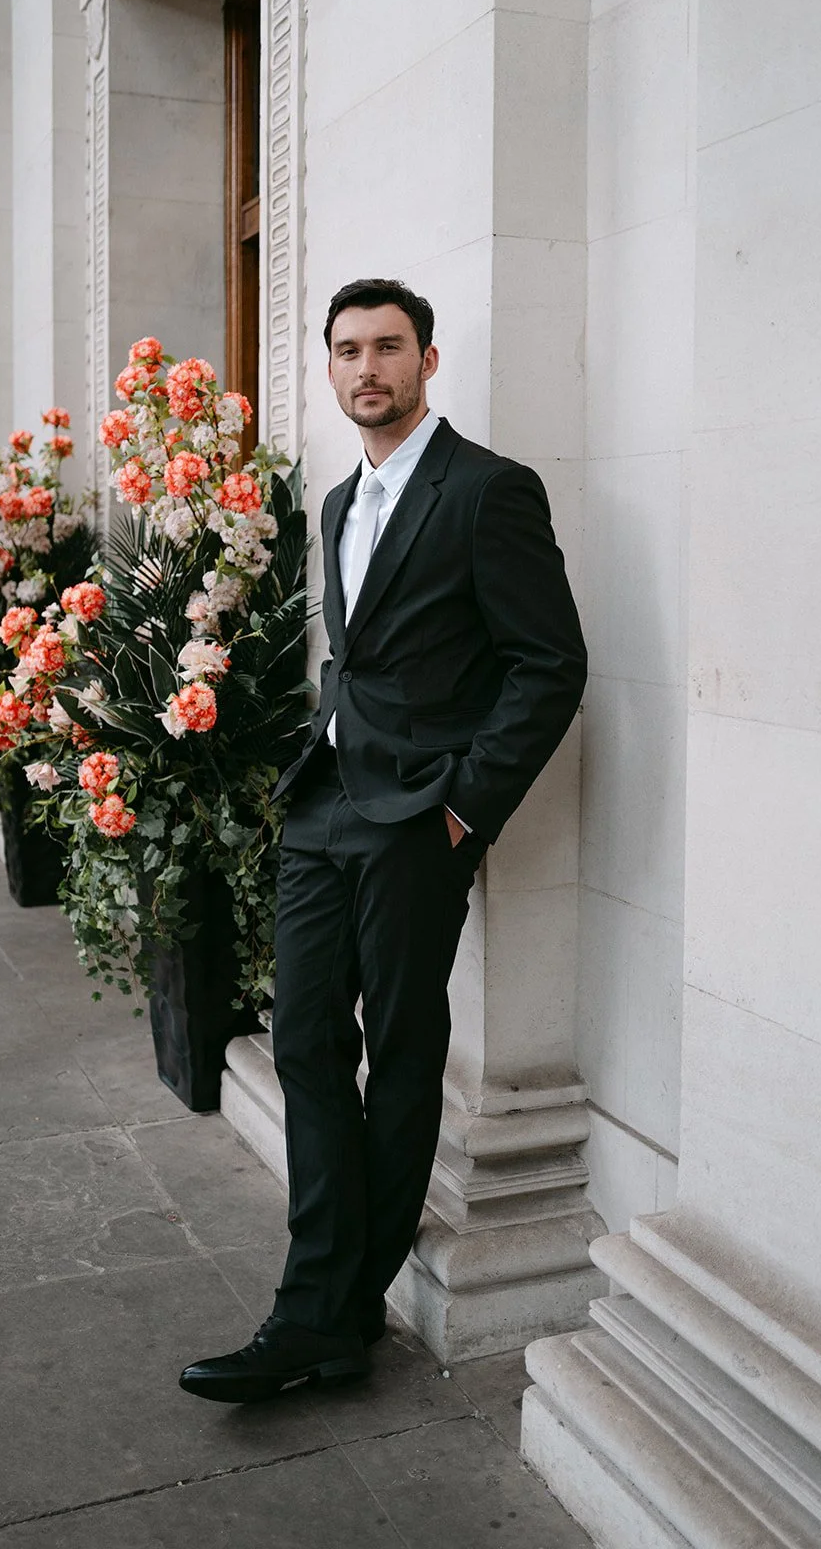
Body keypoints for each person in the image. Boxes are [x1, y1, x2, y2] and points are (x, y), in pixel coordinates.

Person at [179, 278, 587, 1403]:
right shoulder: (335, 499)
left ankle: (324, 1314)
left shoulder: (488, 491)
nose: (369, 368)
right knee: (304, 1039)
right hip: (323, 805)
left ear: (428, 362)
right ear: (328, 368)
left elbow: (550, 664)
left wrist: (464, 808)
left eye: (390, 348)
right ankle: (334, 1307)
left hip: (419, 819)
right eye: (349, 350)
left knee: (404, 1053)